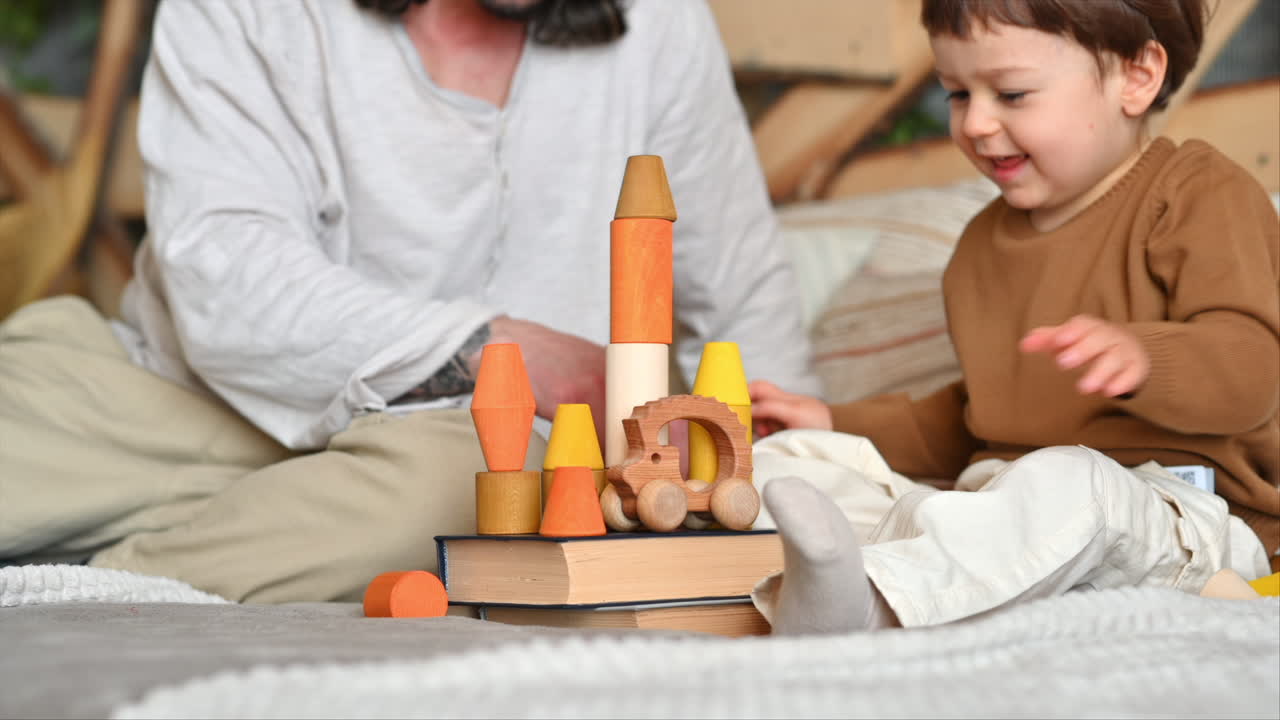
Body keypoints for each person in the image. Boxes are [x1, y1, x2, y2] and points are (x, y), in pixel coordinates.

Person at [0, 0, 818, 602]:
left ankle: (90, 584)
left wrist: (783, 472)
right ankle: (207, 537)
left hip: (449, 457)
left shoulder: (662, 24)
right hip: (160, 398)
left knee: (464, 490)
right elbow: (227, 279)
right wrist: (515, 353)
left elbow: (741, 292)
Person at [747, 0, 1278, 634]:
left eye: (1012, 93)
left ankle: (875, 607)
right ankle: (855, 583)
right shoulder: (977, 249)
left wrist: (1146, 358)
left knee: (1069, 482)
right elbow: (971, 416)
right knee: (789, 461)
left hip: (1180, 518)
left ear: (1136, 77)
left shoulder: (1197, 193)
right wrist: (833, 421)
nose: (975, 122)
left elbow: (1253, 372)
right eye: (955, 94)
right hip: (999, 509)